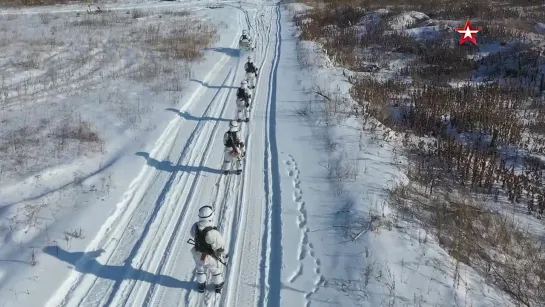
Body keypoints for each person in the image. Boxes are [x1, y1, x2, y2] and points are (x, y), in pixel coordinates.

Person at [190, 205, 227, 293]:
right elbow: (220, 245)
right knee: (215, 270)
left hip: (197, 253)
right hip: (210, 257)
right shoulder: (212, 232)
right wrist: (224, 254)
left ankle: (201, 285)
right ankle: (218, 285)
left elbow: (192, 234)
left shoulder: (195, 226)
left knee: (200, 269)